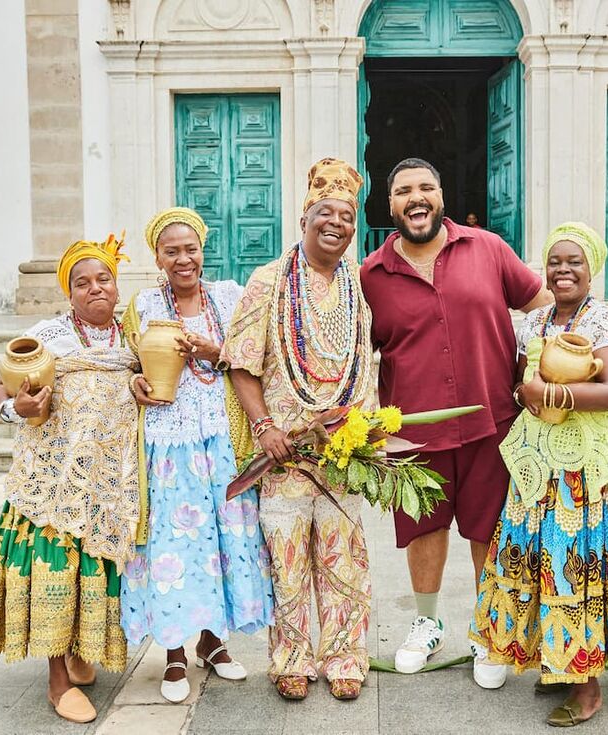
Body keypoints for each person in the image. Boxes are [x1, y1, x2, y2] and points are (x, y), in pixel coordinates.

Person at [359, 157, 551, 686]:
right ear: (388, 203)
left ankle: (490, 628)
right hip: (413, 430)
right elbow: (352, 355)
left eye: (425, 187)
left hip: (494, 420)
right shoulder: (371, 276)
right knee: (424, 528)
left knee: (488, 528)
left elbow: (545, 308)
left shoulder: (487, 249)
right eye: (403, 191)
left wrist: (543, 373)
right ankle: (426, 621)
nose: (415, 198)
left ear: (441, 194)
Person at [471, 223, 608, 726]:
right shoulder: (533, 325)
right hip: (543, 465)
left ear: (592, 267)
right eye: (554, 261)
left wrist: (548, 396)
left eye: (574, 261)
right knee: (546, 563)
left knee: (583, 566)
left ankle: (588, 685)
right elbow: (519, 384)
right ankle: (560, 660)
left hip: (597, 472)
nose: (562, 270)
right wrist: (522, 394)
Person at [0, 236, 140, 724]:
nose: (95, 289)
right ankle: (56, 679)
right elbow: (1, 384)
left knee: (96, 566)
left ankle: (80, 650)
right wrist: (13, 408)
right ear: (69, 293)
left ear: (115, 282)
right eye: (81, 283)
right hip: (54, 482)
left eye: (102, 278)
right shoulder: (49, 336)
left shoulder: (133, 335)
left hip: (108, 483)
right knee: (53, 567)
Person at [221, 158, 376, 702]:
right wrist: (264, 426)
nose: (337, 223)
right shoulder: (268, 281)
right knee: (286, 560)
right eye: (325, 213)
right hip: (283, 453)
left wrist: (359, 433)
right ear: (305, 218)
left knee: (343, 558)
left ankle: (345, 657)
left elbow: (363, 362)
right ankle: (290, 656)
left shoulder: (357, 285)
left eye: (347, 215)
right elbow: (240, 362)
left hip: (340, 451)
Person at [119, 207, 274, 704]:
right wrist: (134, 382)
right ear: (158, 258)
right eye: (172, 251)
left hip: (223, 441)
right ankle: (174, 653)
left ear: (202, 250)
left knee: (226, 541)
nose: (183, 259)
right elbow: (125, 363)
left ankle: (213, 643)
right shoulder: (143, 305)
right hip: (169, 444)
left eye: (191, 248)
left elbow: (254, 357)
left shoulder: (229, 297)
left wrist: (216, 352)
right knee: (176, 546)